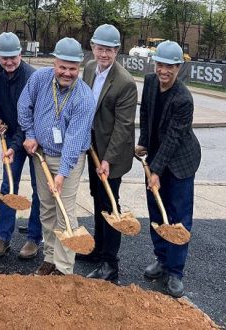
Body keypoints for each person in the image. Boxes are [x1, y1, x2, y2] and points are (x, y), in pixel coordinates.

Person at [18, 37, 96, 276]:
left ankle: (64, 268)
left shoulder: (84, 97)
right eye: (63, 67)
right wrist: (30, 134)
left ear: (79, 68)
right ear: (55, 63)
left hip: (69, 161)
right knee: (47, 209)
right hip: (41, 155)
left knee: (64, 211)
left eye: (73, 68)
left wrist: (62, 174)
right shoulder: (40, 79)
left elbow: (74, 140)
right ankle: (50, 257)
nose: (67, 73)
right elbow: (24, 105)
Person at [136, 40, 201, 298]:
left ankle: (175, 272)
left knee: (177, 218)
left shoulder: (184, 98)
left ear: (179, 67)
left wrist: (156, 171)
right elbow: (145, 116)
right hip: (156, 158)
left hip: (180, 163)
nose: (164, 71)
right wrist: (142, 143)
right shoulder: (150, 83)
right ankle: (162, 259)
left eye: (170, 66)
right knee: (156, 212)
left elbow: (174, 139)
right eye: (160, 64)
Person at [80, 24, 137, 283]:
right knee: (96, 198)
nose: (104, 55)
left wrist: (107, 160)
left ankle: (110, 264)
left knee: (110, 204)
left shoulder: (125, 82)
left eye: (110, 50)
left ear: (117, 51)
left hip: (112, 153)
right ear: (92, 48)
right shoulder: (90, 68)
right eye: (100, 49)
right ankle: (98, 251)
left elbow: (123, 128)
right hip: (92, 146)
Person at [0, 32, 42, 259]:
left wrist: (14, 144)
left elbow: (27, 119)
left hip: (34, 137)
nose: (9, 62)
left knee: (39, 189)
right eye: (4, 58)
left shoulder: (32, 77)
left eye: (13, 57)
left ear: (21, 54)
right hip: (11, 135)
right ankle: (3, 236)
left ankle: (33, 238)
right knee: (8, 185)